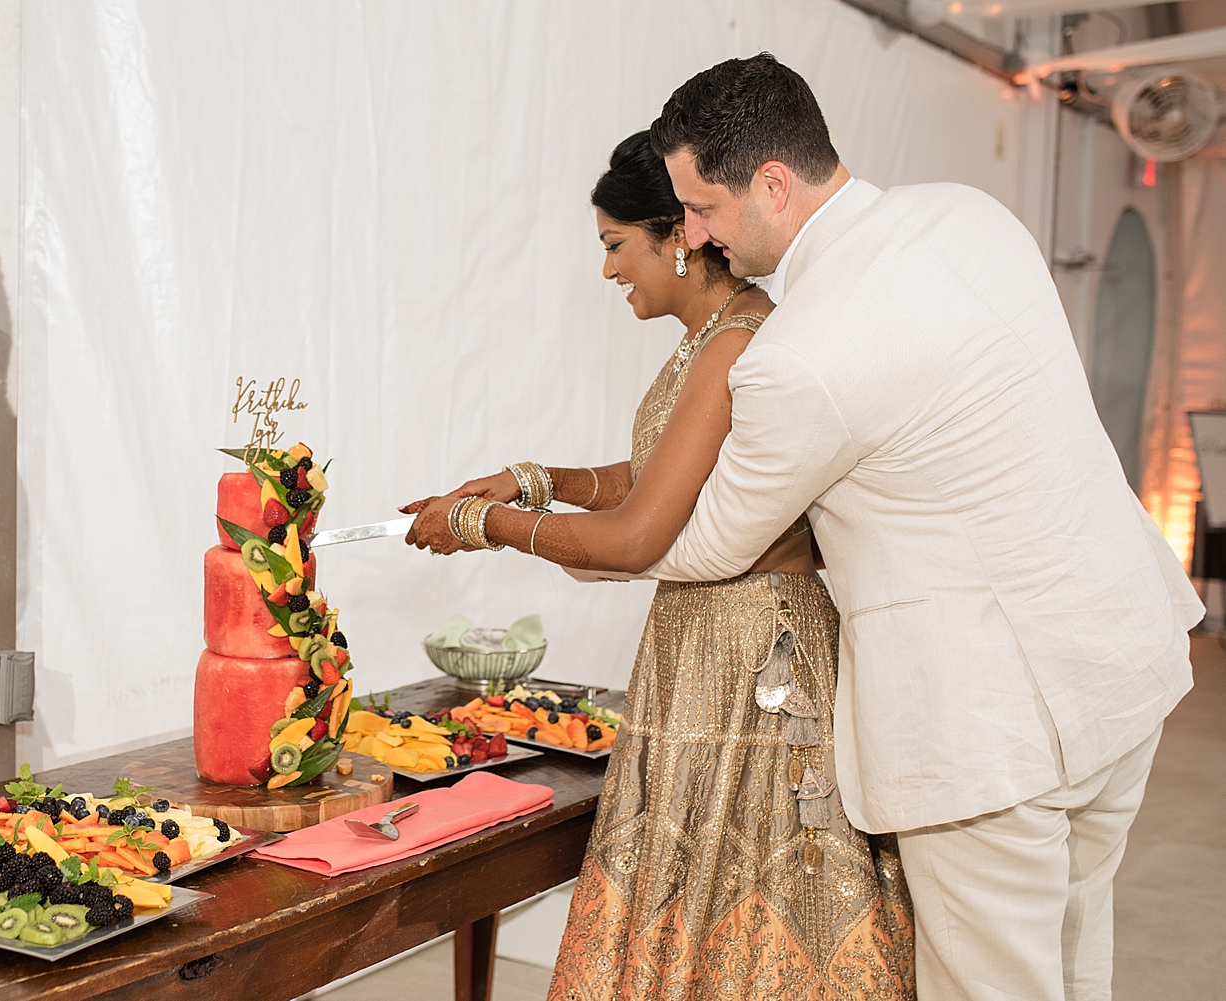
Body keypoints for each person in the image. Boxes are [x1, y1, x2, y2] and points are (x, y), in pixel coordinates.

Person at [638, 54, 1204, 1001]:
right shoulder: (970, 213)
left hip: (995, 727)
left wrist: (551, 533)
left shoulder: (802, 352)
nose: (692, 237)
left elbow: (708, 544)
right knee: (1074, 955)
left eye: (702, 207)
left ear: (773, 185)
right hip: (1119, 653)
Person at [402, 132, 915, 999]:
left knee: (750, 901)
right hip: (705, 636)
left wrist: (484, 522)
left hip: (754, 655)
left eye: (614, 245)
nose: (608, 270)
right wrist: (539, 478)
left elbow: (640, 532)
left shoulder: (739, 341)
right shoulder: (710, 334)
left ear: (676, 235)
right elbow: (654, 475)